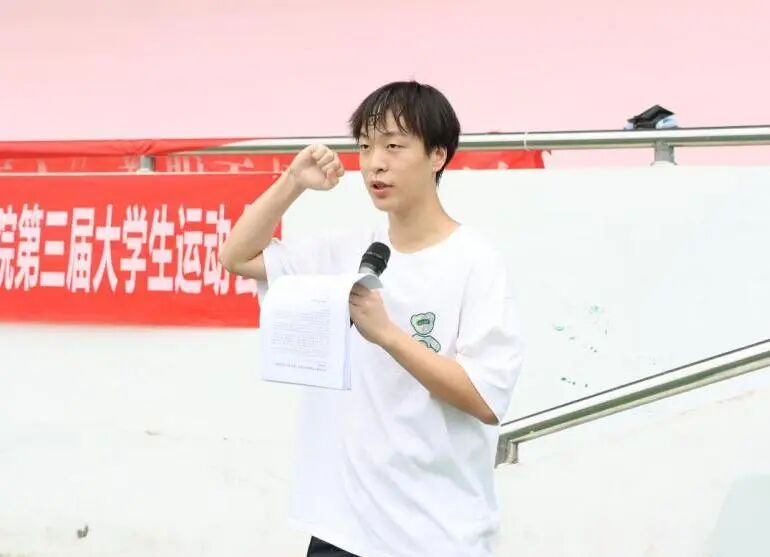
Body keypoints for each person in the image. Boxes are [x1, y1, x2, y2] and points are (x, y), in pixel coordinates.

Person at [220, 80, 524, 557]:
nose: (374, 163)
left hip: (437, 536)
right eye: (364, 147)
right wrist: (293, 181)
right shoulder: (346, 248)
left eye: (393, 147)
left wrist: (387, 335)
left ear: (438, 155)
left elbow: (485, 397)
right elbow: (237, 256)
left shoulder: (474, 261)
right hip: (342, 530)